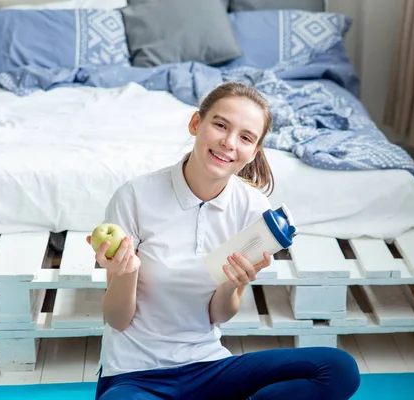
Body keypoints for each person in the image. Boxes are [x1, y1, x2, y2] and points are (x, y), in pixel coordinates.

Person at [86, 82, 361, 400]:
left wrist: (233, 284)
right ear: (195, 124)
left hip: (208, 368)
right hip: (135, 376)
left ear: (254, 151)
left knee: (337, 368)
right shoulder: (134, 196)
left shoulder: (252, 209)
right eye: (220, 125)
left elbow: (217, 315)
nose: (229, 143)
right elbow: (117, 320)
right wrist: (127, 272)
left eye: (245, 137)